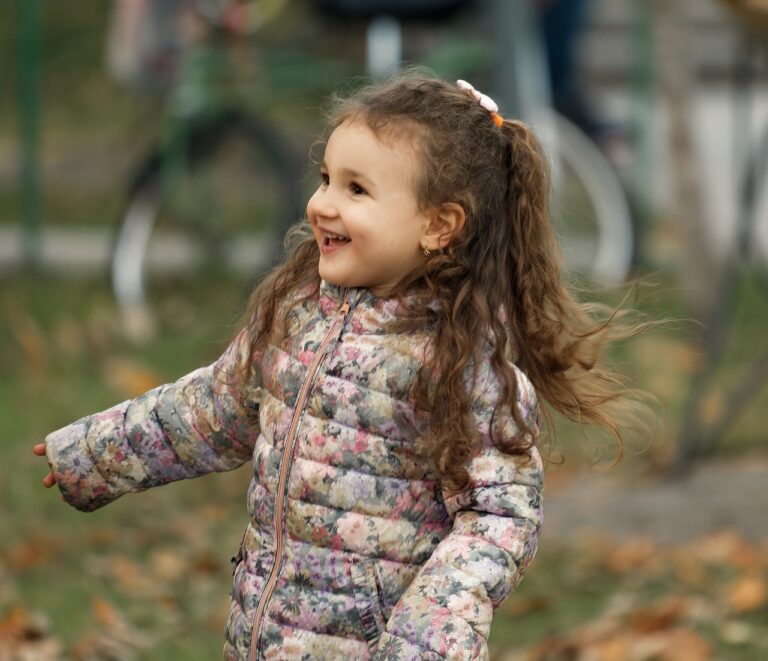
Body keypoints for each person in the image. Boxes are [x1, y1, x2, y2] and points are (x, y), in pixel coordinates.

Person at [34, 71, 647, 660]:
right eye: (326, 178)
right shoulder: (298, 311)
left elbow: (499, 512)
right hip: (264, 636)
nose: (323, 203)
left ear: (438, 225)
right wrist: (97, 452)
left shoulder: (456, 357)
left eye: (357, 189)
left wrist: (433, 625)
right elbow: (217, 408)